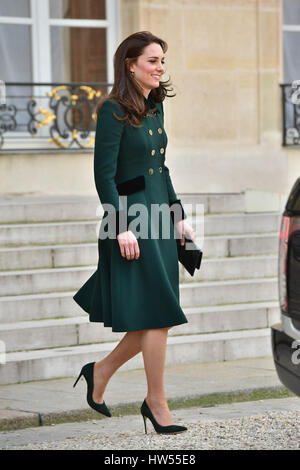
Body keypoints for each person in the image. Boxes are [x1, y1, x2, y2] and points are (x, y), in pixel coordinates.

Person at [73, 31, 195, 435]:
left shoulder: (156, 107)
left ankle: (101, 370)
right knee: (158, 314)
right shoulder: (112, 110)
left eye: (163, 60)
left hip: (160, 215)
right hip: (131, 220)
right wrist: (120, 226)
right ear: (130, 64)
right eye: (153, 60)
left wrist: (179, 218)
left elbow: (162, 169)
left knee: (151, 316)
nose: (161, 67)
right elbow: (103, 175)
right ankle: (156, 403)